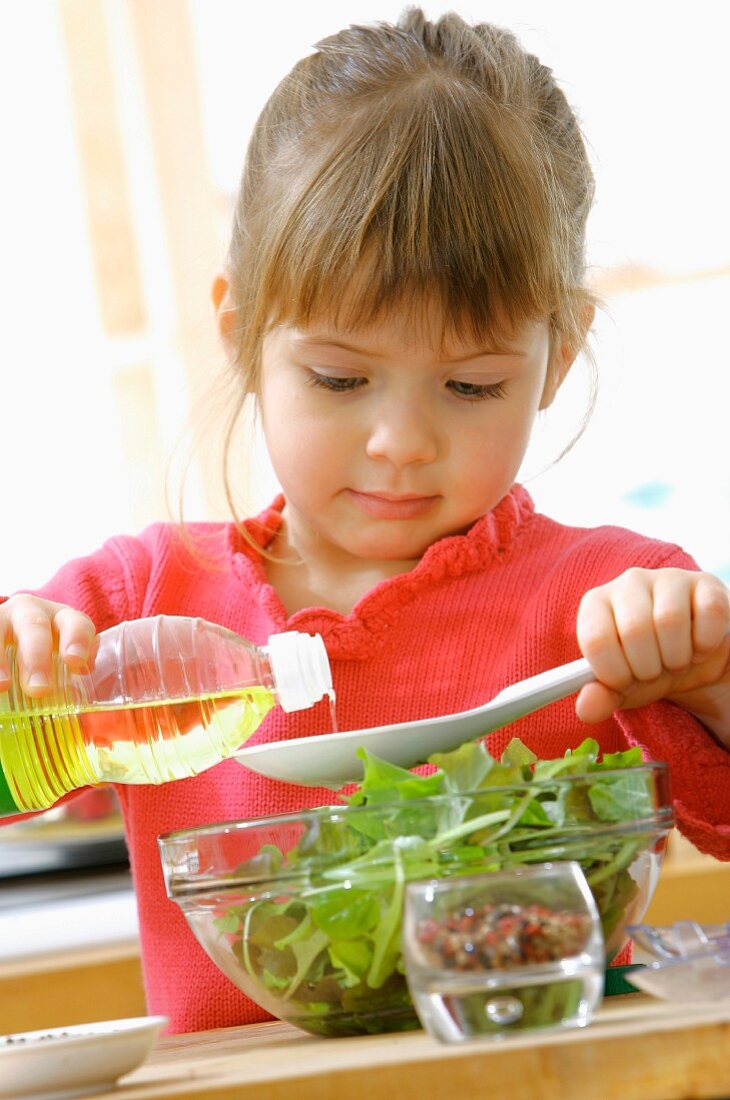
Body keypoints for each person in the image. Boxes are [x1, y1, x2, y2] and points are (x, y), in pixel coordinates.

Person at [1, 9, 728, 1034]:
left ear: (558, 356)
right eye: (340, 377)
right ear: (242, 333)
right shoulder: (135, 607)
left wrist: (710, 681)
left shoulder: (610, 606)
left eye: (470, 385)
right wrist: (19, 659)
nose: (400, 440)